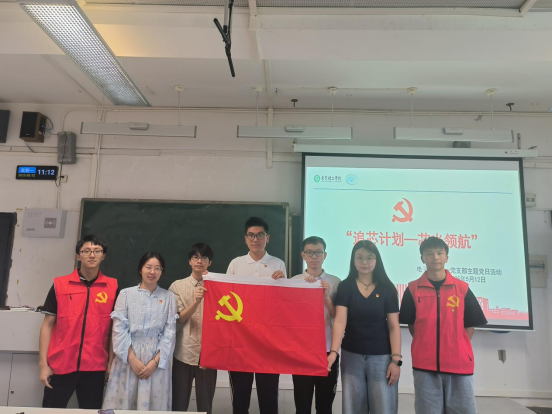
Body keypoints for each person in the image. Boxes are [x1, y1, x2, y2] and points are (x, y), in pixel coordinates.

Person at [399, 237, 487, 414]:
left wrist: (455, 344)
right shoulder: (412, 289)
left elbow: (469, 326)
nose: (435, 257)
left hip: (459, 365)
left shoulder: (462, 288)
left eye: (440, 253)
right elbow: (412, 325)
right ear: (422, 258)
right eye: (429, 254)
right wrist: (427, 344)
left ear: (447, 257)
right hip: (425, 366)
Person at [38, 235, 118, 409]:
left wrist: (110, 363)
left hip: (95, 366)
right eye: (86, 251)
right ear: (78, 256)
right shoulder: (60, 284)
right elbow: (47, 325)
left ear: (103, 256)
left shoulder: (112, 287)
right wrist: (43, 364)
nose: (92, 255)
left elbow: (115, 329)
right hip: (60, 364)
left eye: (97, 251)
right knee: (51, 411)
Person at [328, 240, 401, 414]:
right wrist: (333, 352)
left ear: (377, 260)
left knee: (383, 407)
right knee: (353, 407)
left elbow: (394, 327)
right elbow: (340, 321)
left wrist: (396, 360)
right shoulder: (345, 286)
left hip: (382, 357)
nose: (364, 262)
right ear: (353, 260)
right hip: (351, 355)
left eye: (369, 257)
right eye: (359, 257)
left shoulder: (387, 288)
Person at [102, 252, 178, 411]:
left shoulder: (169, 297)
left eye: (157, 268)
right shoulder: (125, 294)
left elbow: (170, 333)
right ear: (140, 269)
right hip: (128, 358)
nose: (152, 272)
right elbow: (119, 330)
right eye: (148, 267)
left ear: (162, 272)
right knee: (124, 403)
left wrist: (155, 362)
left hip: (157, 363)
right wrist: (132, 359)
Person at [226, 216, 286, 414]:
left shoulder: (278, 264)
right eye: (251, 235)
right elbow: (227, 297)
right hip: (241, 340)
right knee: (240, 397)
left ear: (267, 238)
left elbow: (283, 303)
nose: (255, 239)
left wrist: (284, 282)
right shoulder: (236, 264)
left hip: (268, 342)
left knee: (268, 396)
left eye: (260, 235)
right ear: (245, 238)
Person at [291, 236, 340, 414]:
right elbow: (288, 316)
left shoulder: (335, 282)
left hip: (327, 350)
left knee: (324, 405)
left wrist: (326, 297)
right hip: (301, 351)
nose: (314, 256)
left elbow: (338, 317)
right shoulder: (294, 281)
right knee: (302, 405)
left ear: (325, 255)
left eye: (318, 252)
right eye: (310, 252)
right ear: (303, 255)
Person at [169, 243, 217, 414]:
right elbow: (179, 318)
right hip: (184, 352)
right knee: (179, 404)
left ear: (209, 262)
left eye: (204, 257)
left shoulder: (217, 287)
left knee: (206, 407)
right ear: (190, 261)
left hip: (209, 354)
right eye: (195, 257)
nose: (199, 261)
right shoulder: (177, 286)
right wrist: (196, 302)